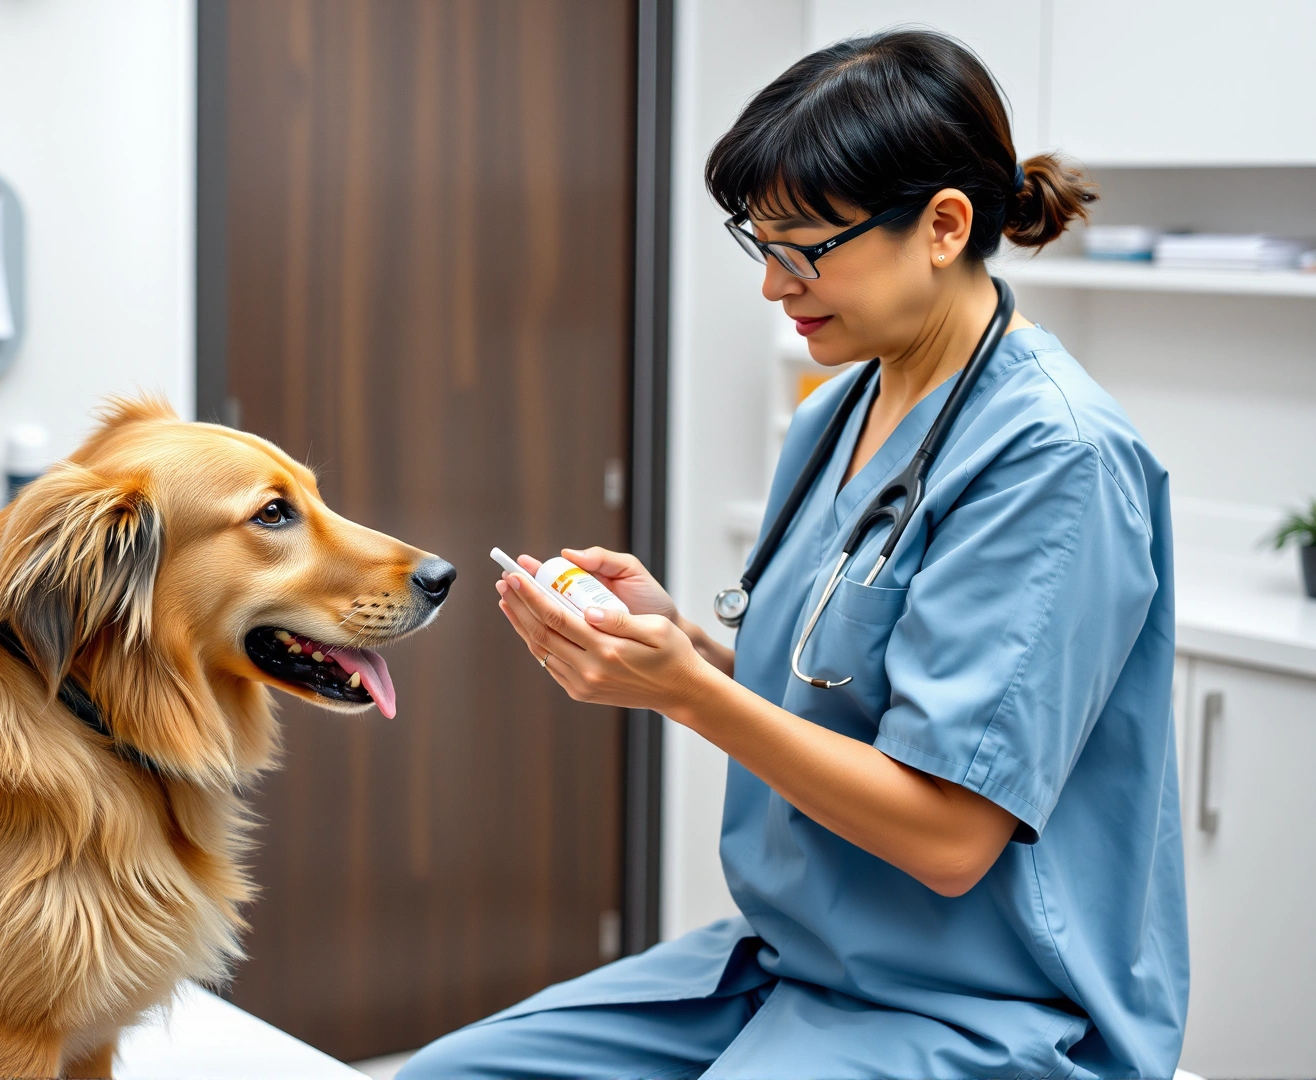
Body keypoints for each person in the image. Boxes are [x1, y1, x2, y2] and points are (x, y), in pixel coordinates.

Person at [399, 29, 1186, 1080]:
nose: (774, 287)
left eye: (804, 248)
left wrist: (687, 696)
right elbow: (832, 699)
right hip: (794, 963)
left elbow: (950, 836)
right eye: (758, 243)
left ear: (944, 226)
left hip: (983, 1004)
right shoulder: (837, 412)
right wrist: (678, 646)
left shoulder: (1058, 462)